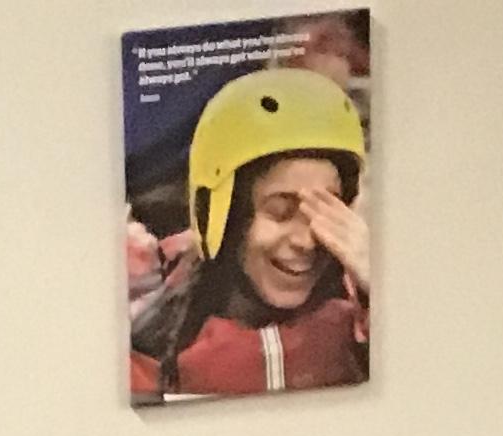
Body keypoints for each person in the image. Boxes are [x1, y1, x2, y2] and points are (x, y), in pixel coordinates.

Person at [130, 65, 370, 402]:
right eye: (280, 211)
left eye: (327, 212)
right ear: (225, 217)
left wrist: (384, 292)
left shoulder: (359, 316)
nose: (306, 241)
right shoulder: (156, 340)